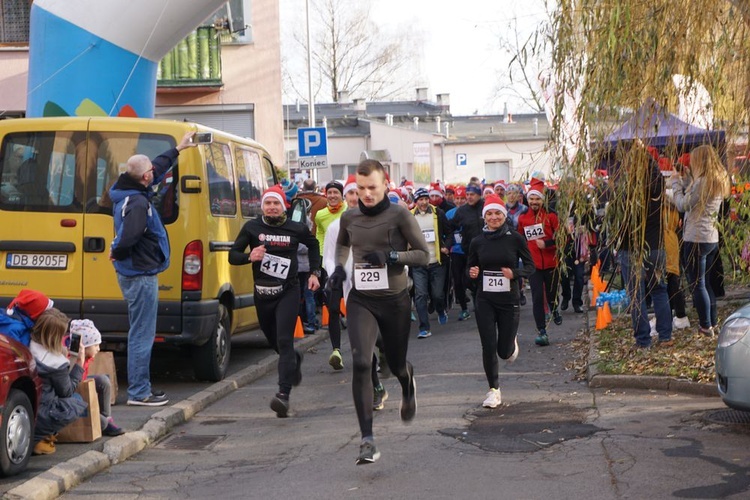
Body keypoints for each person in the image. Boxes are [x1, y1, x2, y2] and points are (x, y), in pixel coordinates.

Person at [331, 159, 428, 465]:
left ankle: (407, 380)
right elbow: (343, 245)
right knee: (361, 361)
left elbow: (425, 255)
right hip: (362, 299)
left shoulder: (399, 214)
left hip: (395, 300)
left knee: (397, 364)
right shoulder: (349, 217)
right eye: (360, 188)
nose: (366, 194)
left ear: (386, 184)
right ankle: (367, 440)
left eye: (372, 187)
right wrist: (338, 269)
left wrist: (391, 256)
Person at [109, 131, 196, 406]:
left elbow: (156, 168)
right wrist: (116, 251)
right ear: (144, 177)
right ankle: (139, 393)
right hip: (140, 275)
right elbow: (129, 236)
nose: (154, 175)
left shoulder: (131, 188)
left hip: (137, 272)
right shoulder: (136, 202)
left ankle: (140, 389)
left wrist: (178, 148)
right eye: (151, 173)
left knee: (141, 332)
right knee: (142, 334)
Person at [229, 185, 321, 417]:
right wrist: (250, 256)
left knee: (284, 339)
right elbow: (233, 255)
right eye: (268, 203)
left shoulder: (295, 228)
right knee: (275, 343)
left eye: (276, 203)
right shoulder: (251, 227)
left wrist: (314, 273)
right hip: (262, 293)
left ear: (284, 206)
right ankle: (293, 359)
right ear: (262, 207)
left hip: (288, 291)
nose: (271, 207)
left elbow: (313, 244)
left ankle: (283, 395)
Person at [467, 194, 534, 408]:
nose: (494, 217)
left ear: (504, 216)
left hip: (509, 300)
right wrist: (473, 273)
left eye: (498, 213)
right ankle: (493, 390)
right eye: (489, 214)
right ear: (484, 217)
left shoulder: (515, 238)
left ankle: (510, 344)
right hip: (484, 299)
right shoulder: (477, 241)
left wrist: (514, 273)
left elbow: (530, 267)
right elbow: (468, 271)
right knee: (488, 345)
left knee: (503, 352)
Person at [614, 144, 672, 348]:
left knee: (636, 295)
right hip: (656, 245)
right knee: (659, 290)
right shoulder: (659, 183)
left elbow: (624, 221)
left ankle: (643, 339)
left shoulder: (629, 188)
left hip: (633, 247)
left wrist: (617, 243)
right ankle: (665, 336)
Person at [671, 145, 731, 336]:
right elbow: (696, 193)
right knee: (706, 283)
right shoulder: (718, 180)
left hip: (696, 237)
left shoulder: (703, 182)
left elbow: (684, 203)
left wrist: (675, 185)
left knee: (697, 284)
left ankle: (705, 325)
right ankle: (712, 322)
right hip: (711, 237)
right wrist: (686, 176)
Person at [30, 309, 87, 455]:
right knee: (76, 400)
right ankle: (38, 438)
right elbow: (66, 391)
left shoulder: (26, 344)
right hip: (42, 413)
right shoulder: (56, 363)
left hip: (26, 407)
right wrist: (79, 363)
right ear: (56, 336)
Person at [517, 177, 562, 347]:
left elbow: (564, 239)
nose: (534, 202)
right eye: (531, 199)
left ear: (542, 200)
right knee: (536, 297)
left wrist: (547, 243)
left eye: (537, 199)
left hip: (551, 262)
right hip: (533, 265)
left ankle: (555, 307)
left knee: (551, 294)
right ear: (528, 200)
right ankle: (541, 330)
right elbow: (519, 237)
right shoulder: (523, 218)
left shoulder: (551, 216)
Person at [71, 319, 125, 436]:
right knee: (102, 423)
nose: (98, 349)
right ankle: (104, 422)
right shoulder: (72, 360)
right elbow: (71, 388)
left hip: (78, 390)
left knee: (103, 380)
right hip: (71, 397)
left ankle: (107, 417)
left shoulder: (86, 357)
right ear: (84, 346)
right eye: (96, 345)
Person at [411, 187, 453, 338]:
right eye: (420, 199)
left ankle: (441, 310)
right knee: (420, 295)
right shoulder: (410, 216)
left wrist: (446, 247)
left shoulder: (438, 213)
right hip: (419, 263)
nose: (424, 202)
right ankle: (424, 328)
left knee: (437, 295)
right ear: (415, 201)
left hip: (437, 261)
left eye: (426, 199)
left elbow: (449, 234)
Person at [446, 186, 471, 321]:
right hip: (456, 251)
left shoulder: (471, 212)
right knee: (458, 281)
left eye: (463, 198)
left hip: (470, 251)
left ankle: (476, 299)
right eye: (457, 198)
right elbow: (446, 233)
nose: (460, 201)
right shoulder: (449, 214)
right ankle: (464, 308)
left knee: (470, 279)